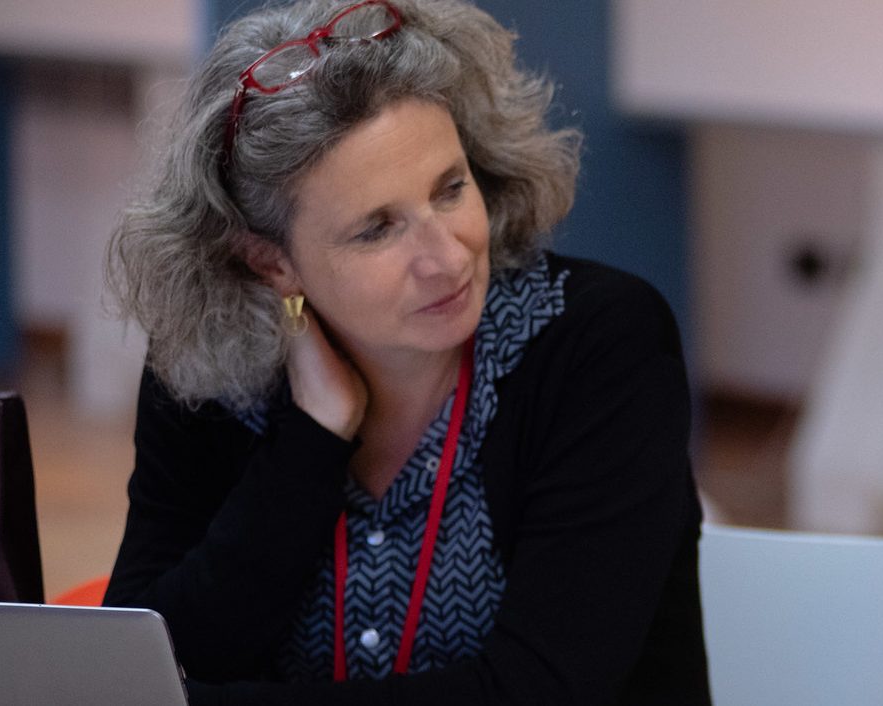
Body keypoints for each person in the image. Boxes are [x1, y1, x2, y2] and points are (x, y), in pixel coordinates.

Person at [101, 1, 708, 703]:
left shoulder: (597, 343)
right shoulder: (208, 369)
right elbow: (145, 658)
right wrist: (309, 443)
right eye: (377, 229)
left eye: (450, 190)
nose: (445, 258)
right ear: (272, 265)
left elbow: (539, 688)